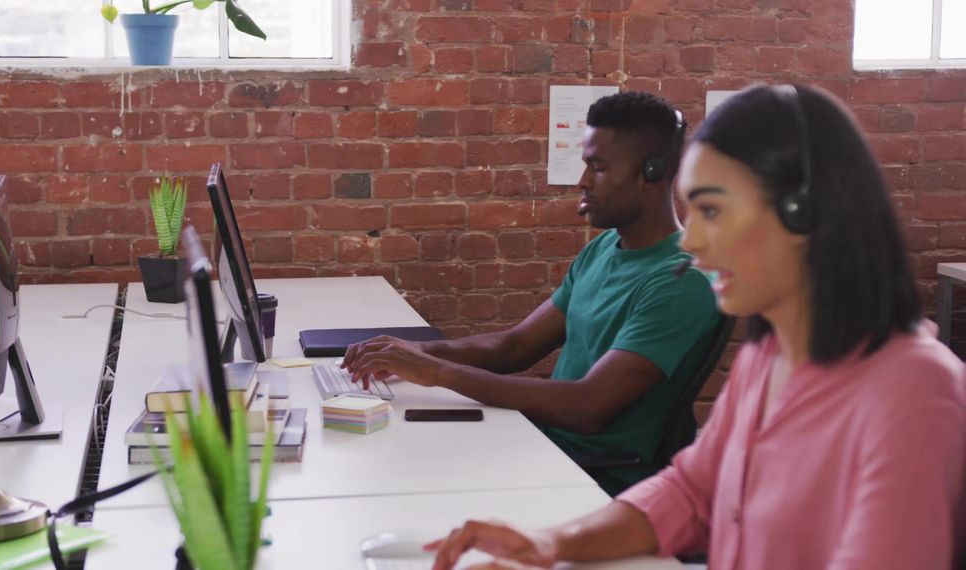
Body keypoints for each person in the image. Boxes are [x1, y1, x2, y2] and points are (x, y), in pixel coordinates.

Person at [426, 84, 966, 570]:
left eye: (712, 211)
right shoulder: (769, 355)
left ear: (800, 213)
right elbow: (692, 492)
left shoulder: (912, 390)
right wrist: (551, 542)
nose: (691, 241)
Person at [342, 91, 720, 495]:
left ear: (652, 172)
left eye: (598, 167)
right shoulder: (604, 248)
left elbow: (588, 406)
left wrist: (437, 373)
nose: (583, 181)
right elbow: (514, 347)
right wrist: (414, 353)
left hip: (593, 477)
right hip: (543, 445)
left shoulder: (681, 279)